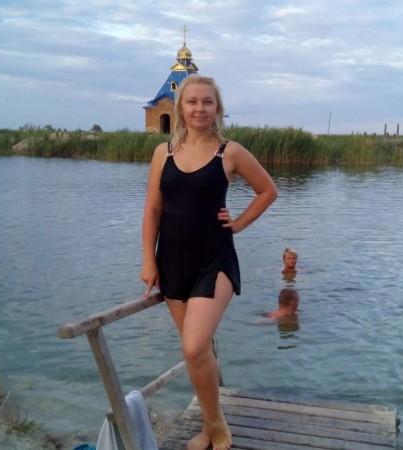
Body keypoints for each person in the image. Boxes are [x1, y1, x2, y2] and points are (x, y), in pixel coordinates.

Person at [140, 75, 277, 450]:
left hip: (214, 259)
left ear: (217, 108)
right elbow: (152, 209)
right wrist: (148, 260)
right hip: (171, 260)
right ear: (180, 108)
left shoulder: (229, 152)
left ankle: (216, 424)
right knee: (200, 353)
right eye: (192, 101)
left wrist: (239, 223)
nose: (199, 108)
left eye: (207, 102)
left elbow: (268, 191)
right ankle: (209, 425)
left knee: (193, 346)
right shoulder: (163, 153)